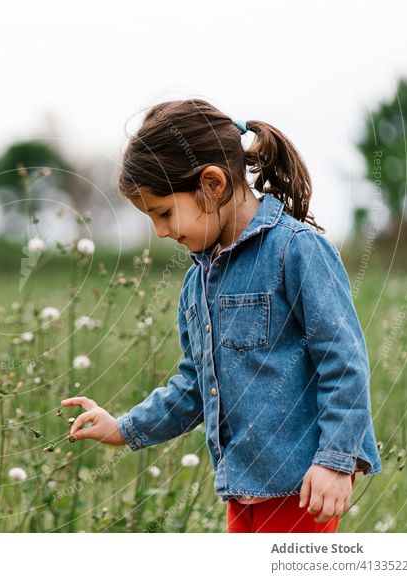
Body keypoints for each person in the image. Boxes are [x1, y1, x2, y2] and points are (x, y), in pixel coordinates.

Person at [61, 99, 381, 533]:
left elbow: (344, 363)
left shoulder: (296, 250)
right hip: (241, 489)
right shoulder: (198, 284)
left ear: (212, 183)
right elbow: (195, 385)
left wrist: (336, 461)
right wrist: (123, 427)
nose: (161, 231)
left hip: (302, 489)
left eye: (164, 212)